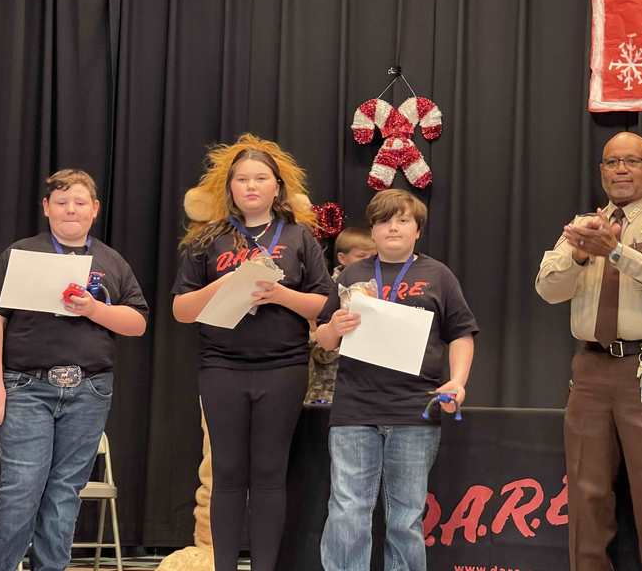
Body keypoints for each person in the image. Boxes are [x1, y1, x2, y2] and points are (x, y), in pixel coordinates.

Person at [535, 132, 642, 571]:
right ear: (602, 172)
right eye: (612, 162)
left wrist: (617, 253)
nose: (621, 169)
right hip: (590, 371)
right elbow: (547, 289)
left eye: (631, 161)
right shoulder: (582, 226)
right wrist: (577, 254)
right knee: (587, 499)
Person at [171, 134, 333, 571]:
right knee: (226, 473)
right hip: (221, 367)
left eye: (261, 178)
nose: (251, 186)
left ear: (277, 186)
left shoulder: (300, 237)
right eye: (242, 179)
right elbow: (181, 310)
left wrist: (278, 294)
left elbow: (323, 304)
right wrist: (226, 283)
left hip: (283, 367)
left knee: (268, 474)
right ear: (230, 187)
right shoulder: (208, 239)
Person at [0, 169, 148, 571]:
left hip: (89, 390)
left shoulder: (111, 262)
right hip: (26, 386)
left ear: (95, 210)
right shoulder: (21, 254)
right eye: (61, 202)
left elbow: (138, 323)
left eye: (80, 202)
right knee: (21, 488)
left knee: (64, 492)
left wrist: (95, 309)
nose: (70, 210)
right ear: (46, 208)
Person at [316, 189, 478, 571]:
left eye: (403, 220)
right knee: (347, 510)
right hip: (355, 408)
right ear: (372, 230)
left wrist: (458, 381)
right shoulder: (352, 274)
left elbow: (461, 333)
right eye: (384, 220)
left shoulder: (438, 275)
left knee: (406, 517)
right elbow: (323, 339)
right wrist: (334, 327)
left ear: (417, 230)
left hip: (414, 409)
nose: (393, 227)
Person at [304, 227, 376, 404]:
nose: (368, 262)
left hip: (365, 385)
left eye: (374, 257)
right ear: (342, 258)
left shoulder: (376, 288)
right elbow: (314, 337)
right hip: (325, 385)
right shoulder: (326, 288)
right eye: (361, 256)